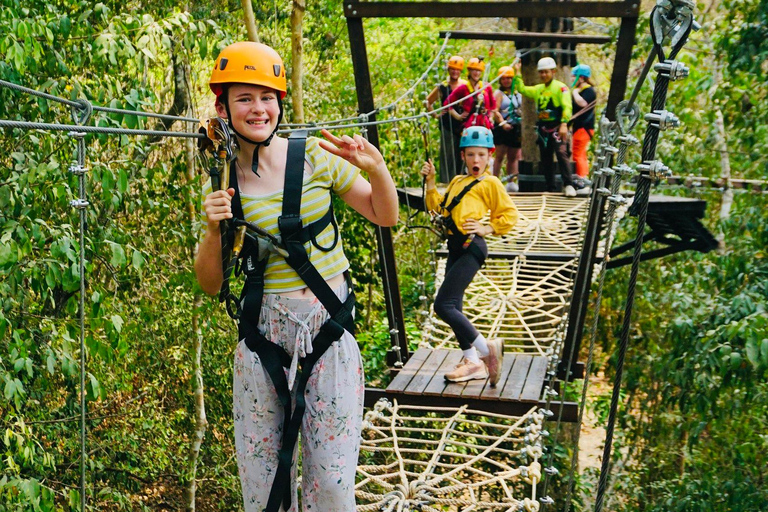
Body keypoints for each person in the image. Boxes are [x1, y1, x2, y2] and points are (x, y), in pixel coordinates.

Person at [194, 42, 398, 512]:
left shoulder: (315, 159)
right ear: (223, 107)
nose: (258, 109)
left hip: (325, 330)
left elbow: (384, 215)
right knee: (265, 487)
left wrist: (377, 169)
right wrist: (212, 227)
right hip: (262, 336)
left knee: (330, 485)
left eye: (267, 97)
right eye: (244, 98)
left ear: (280, 104)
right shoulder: (221, 181)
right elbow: (209, 284)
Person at [420, 126, 519, 385]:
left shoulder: (491, 183)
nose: (477, 160)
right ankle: (472, 361)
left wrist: (487, 228)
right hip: (455, 245)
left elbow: (509, 215)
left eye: (482, 155)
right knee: (455, 304)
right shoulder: (457, 181)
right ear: (463, 155)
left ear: (490, 157)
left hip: (471, 246)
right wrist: (430, 183)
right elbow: (438, 209)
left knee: (443, 305)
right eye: (471, 155)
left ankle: (487, 352)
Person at [513, 57, 576, 197]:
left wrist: (564, 123)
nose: (543, 75)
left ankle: (568, 184)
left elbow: (567, 106)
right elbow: (522, 89)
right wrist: (517, 73)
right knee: (545, 156)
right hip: (543, 128)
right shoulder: (538, 89)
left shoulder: (561, 88)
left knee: (561, 153)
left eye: (546, 72)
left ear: (553, 72)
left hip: (558, 126)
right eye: (541, 72)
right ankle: (550, 187)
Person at [426, 55, 468, 183]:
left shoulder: (465, 85)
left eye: (457, 70)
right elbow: (427, 102)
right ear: (449, 70)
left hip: (463, 125)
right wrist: (436, 115)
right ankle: (446, 182)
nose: (455, 72)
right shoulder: (443, 87)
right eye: (452, 69)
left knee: (463, 154)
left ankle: (461, 180)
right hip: (447, 126)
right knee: (447, 155)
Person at [444, 57, 496, 132]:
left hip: (485, 125)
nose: (477, 73)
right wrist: (458, 117)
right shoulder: (463, 88)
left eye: (479, 71)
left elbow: (493, 105)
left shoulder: (486, 87)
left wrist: (491, 117)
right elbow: (447, 103)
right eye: (474, 70)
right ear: (469, 71)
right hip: (470, 125)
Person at [492, 66, 523, 188]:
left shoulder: (517, 93)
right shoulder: (499, 94)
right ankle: (495, 181)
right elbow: (495, 110)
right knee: (500, 155)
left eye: (509, 78)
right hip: (502, 128)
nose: (506, 81)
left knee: (513, 156)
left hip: (515, 127)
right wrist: (502, 123)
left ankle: (511, 182)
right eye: (504, 79)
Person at [570, 64, 597, 180]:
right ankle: (583, 176)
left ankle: (581, 177)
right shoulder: (583, 91)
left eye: (573, 76)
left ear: (580, 78)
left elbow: (583, 104)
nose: (571, 79)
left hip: (584, 127)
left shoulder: (589, 91)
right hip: (579, 127)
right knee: (580, 153)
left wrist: (575, 92)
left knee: (577, 153)